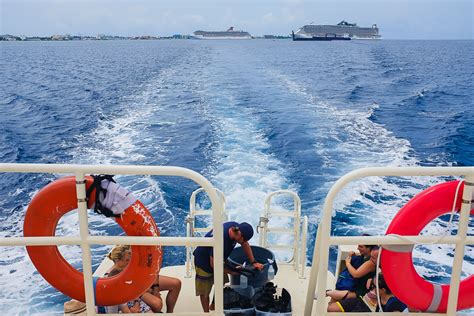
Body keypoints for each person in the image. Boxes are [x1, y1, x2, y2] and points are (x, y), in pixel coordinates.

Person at [193, 221, 265, 312]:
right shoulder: (221, 239)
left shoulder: (235, 228)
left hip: (219, 258)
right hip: (203, 262)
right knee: (205, 292)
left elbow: (244, 244)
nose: (244, 242)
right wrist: (232, 271)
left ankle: (213, 305)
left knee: (220, 283)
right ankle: (206, 312)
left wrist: (254, 262)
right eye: (244, 239)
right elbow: (214, 265)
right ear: (239, 234)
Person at [105, 245, 163, 313]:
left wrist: (137, 303)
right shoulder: (111, 277)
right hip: (124, 305)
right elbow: (118, 302)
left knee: (155, 305)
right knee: (156, 304)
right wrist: (132, 310)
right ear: (118, 260)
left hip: (134, 299)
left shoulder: (126, 269)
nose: (129, 262)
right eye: (127, 260)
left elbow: (134, 289)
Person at [327, 274, 407, 312]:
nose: (372, 288)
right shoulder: (381, 297)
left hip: (367, 310)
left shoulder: (394, 304)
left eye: (374, 286)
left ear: (383, 290)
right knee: (331, 309)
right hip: (364, 303)